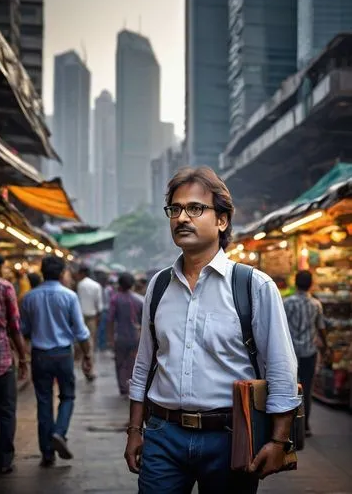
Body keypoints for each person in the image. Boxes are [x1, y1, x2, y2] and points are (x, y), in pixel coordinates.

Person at [124, 167, 300, 494]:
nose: (181, 218)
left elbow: (281, 368)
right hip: (163, 434)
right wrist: (135, 429)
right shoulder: (159, 286)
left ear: (221, 220)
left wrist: (279, 440)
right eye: (174, 210)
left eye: (195, 208)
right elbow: (144, 362)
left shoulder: (253, 286)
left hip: (231, 437)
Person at [20, 256, 93, 467]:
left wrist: (23, 356)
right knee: (67, 396)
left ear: (42, 272)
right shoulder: (69, 296)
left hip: (40, 355)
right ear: (62, 274)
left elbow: (24, 330)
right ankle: (59, 432)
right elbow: (80, 331)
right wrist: (87, 356)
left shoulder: (29, 297)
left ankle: (47, 453)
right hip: (62, 354)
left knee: (44, 401)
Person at [0, 253, 28, 475]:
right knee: (5, 411)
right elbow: (15, 326)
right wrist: (23, 357)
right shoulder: (5, 287)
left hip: (2, 358)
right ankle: (4, 460)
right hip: (1, 359)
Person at [284, 270, 327, 437]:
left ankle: (288, 426)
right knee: (307, 389)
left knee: (289, 387)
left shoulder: (287, 302)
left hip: (290, 352)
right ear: (311, 284)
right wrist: (326, 346)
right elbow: (321, 328)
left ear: (295, 283)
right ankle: (306, 425)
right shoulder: (316, 304)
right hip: (309, 352)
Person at [109, 273, 143, 397]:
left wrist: (110, 338)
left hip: (120, 336)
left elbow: (111, 320)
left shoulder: (115, 299)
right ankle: (132, 386)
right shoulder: (140, 299)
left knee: (120, 363)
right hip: (136, 336)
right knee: (133, 362)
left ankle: (123, 387)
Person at [76, 265, 103, 353]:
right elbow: (99, 305)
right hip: (92, 317)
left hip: (81, 316)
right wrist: (99, 317)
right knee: (91, 338)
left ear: (82, 273)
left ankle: (81, 358)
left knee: (80, 338)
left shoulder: (80, 284)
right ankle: (89, 357)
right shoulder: (96, 285)